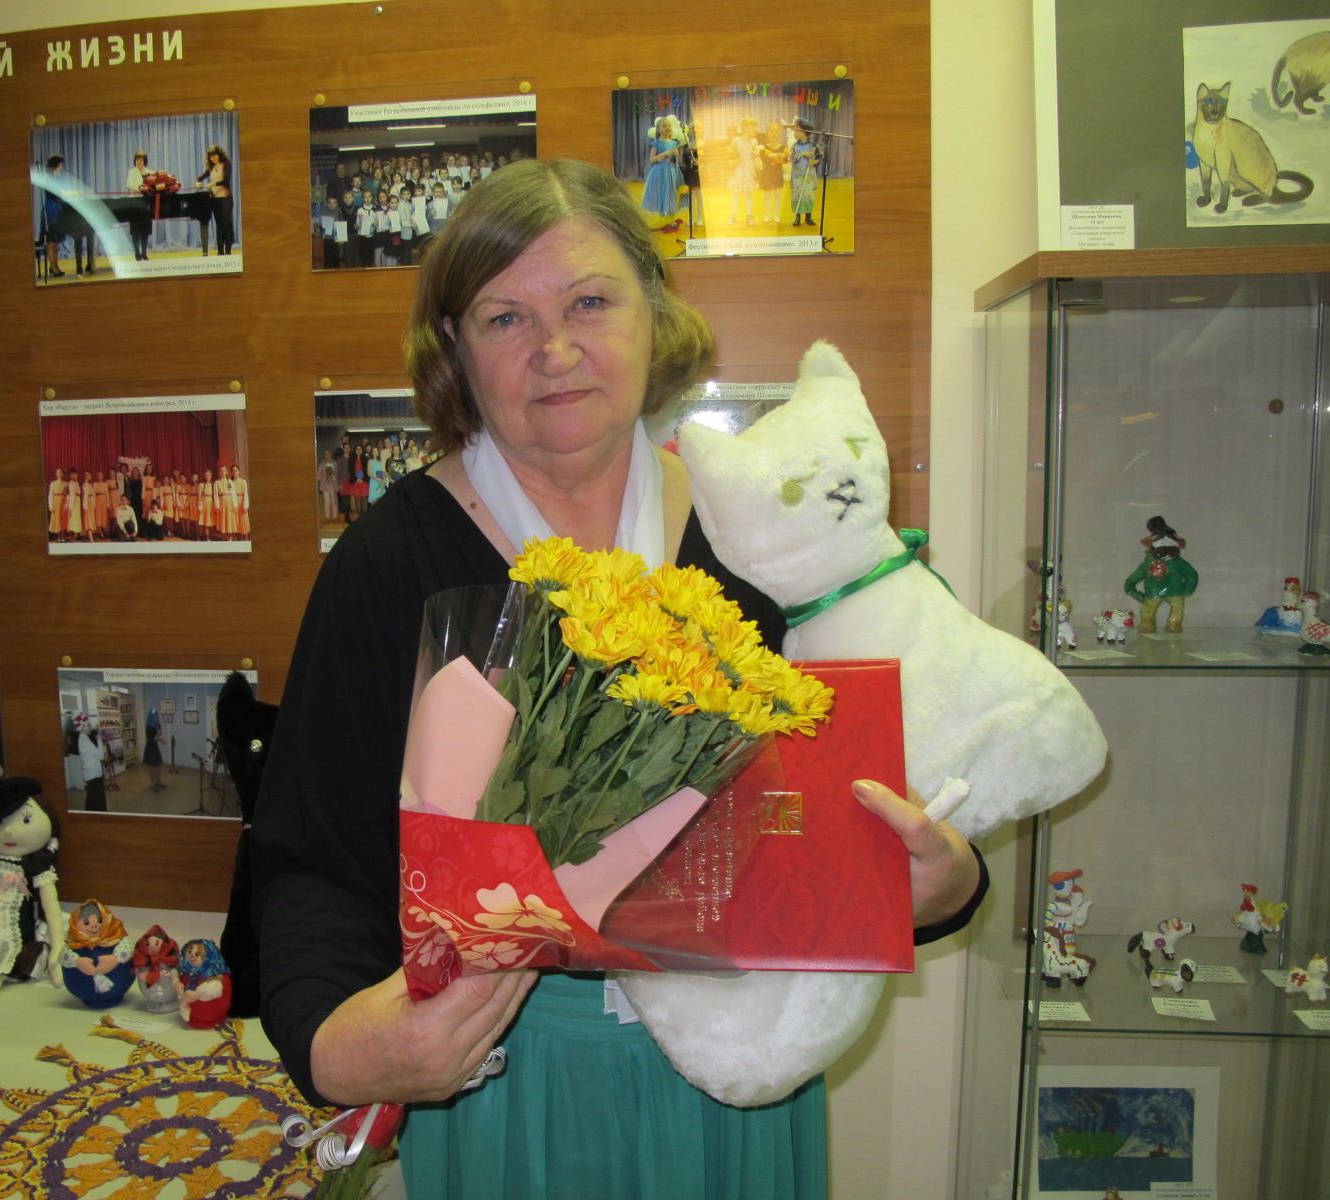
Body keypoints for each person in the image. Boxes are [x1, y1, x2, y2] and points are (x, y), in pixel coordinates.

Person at [248, 158, 985, 1200]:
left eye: (590, 302)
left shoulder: (761, 538)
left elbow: (880, 807)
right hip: (506, 1073)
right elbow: (311, 855)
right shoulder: (391, 560)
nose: (554, 351)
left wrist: (941, 882)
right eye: (505, 318)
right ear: (454, 345)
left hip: (738, 1069)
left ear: (653, 310)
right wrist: (333, 1044)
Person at [640, 115, 685, 221]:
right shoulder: (656, 143)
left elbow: (678, 160)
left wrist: (677, 155)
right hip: (660, 171)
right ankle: (662, 215)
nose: (667, 128)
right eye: (664, 126)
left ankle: (671, 215)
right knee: (661, 191)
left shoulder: (674, 143)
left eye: (669, 125)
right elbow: (652, 159)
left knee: (671, 191)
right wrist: (663, 154)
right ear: (658, 130)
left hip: (672, 171)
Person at [196, 145, 235, 256]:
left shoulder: (226, 164)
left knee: (226, 224)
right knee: (219, 225)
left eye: (214, 156)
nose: (213, 158)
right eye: (211, 157)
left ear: (219, 155)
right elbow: (200, 178)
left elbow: (226, 180)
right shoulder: (211, 168)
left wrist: (213, 183)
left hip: (226, 198)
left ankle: (228, 250)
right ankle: (220, 251)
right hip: (215, 199)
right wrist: (198, 183)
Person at [126, 151, 154, 262]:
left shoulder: (150, 172)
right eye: (137, 160)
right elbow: (129, 184)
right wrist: (139, 188)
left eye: (141, 160)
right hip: (134, 204)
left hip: (146, 205)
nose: (139, 162)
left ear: (144, 161)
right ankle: (137, 254)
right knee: (135, 231)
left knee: (145, 231)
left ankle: (144, 254)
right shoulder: (131, 172)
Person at [142, 706, 164, 791]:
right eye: (154, 717)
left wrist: (160, 739)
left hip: (155, 747)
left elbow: (155, 738)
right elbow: (153, 739)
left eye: (157, 716)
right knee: (152, 767)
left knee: (158, 766)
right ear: (151, 717)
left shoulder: (155, 725)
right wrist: (159, 733)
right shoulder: (149, 728)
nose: (156, 718)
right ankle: (154, 784)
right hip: (150, 748)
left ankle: (158, 781)